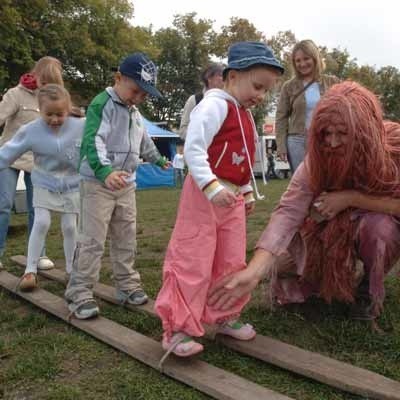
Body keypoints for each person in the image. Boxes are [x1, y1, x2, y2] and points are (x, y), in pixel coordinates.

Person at [208, 81, 400, 325]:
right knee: (283, 263)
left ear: (364, 131)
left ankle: (368, 291)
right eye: (326, 133)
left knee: (378, 230)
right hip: (328, 229)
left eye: (342, 133)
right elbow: (288, 213)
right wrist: (255, 271)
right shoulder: (318, 161)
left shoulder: (394, 147)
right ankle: (322, 279)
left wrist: (351, 199)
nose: (331, 143)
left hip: (374, 224)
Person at [155, 41, 284, 357]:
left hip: (232, 199)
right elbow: (194, 151)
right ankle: (178, 327)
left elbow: (243, 161)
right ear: (232, 76)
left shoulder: (245, 114)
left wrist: (247, 190)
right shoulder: (214, 106)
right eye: (257, 86)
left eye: (266, 91)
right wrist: (211, 186)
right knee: (192, 259)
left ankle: (225, 315)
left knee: (231, 259)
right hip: (204, 195)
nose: (260, 96)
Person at [65, 52, 170, 320]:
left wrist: (158, 159)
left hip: (126, 185)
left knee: (126, 238)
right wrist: (104, 170)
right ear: (119, 78)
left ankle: (127, 285)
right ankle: (79, 292)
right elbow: (92, 141)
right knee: (92, 240)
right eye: (135, 90)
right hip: (98, 184)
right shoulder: (103, 104)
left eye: (144, 94)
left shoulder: (135, 113)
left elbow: (143, 141)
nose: (138, 98)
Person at [0, 84, 84, 290]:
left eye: (60, 114)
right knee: (41, 223)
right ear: (40, 109)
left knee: (70, 226)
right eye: (49, 114)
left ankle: (72, 271)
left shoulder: (81, 125)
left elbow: (101, 139)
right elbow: (7, 153)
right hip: (44, 182)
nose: (55, 119)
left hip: (72, 184)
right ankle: (30, 271)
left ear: (68, 109)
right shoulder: (30, 131)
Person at [0, 56, 64, 270]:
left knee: (38, 208)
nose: (45, 87)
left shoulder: (51, 99)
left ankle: (38, 255)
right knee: (4, 205)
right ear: (36, 75)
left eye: (51, 84)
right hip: (9, 158)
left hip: (37, 162)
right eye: (44, 82)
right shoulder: (15, 94)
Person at [275, 40, 338, 173]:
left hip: (325, 139)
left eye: (306, 59)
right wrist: (281, 146)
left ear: (315, 58)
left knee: (327, 178)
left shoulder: (332, 82)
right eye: (298, 61)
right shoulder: (289, 86)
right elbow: (281, 117)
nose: (302, 64)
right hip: (297, 141)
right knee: (303, 183)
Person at [178, 63, 224, 140]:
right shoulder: (194, 100)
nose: (224, 79)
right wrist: (200, 139)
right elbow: (183, 131)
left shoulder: (227, 102)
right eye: (220, 75)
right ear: (209, 78)